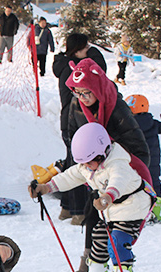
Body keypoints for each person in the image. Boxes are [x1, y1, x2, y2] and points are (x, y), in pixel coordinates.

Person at [30, 123, 151, 272]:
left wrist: (107, 198)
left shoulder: (118, 163)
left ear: (103, 152)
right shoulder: (88, 165)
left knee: (118, 241)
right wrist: (47, 187)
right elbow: (70, 176)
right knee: (99, 236)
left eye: (89, 162)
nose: (86, 166)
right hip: (111, 209)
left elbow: (118, 182)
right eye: (83, 163)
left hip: (133, 207)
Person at [57, 57, 151, 272]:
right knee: (93, 218)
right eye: (77, 92)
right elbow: (72, 135)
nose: (81, 98)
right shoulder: (77, 105)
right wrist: (80, 164)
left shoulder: (115, 106)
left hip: (119, 169)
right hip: (92, 168)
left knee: (116, 228)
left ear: (97, 89)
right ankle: (92, 269)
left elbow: (137, 146)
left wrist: (116, 167)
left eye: (86, 93)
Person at [51, 33, 107, 225]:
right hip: (76, 120)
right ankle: (78, 212)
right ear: (77, 49)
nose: (88, 49)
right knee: (79, 167)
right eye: (85, 46)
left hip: (68, 121)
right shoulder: (76, 68)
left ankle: (67, 208)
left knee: (70, 163)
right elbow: (100, 68)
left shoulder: (66, 64)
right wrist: (91, 52)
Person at [125, 94, 161, 219]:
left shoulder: (128, 124)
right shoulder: (152, 123)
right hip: (154, 159)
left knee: (137, 183)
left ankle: (139, 209)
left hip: (136, 160)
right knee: (154, 182)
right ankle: (158, 210)